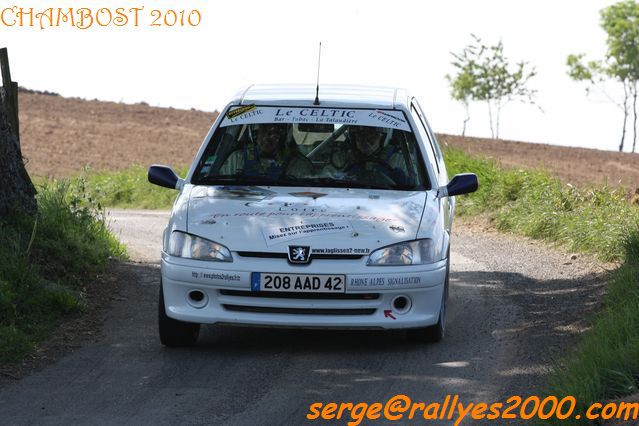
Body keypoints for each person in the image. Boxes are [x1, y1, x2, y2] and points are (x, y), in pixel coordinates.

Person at [219, 123, 313, 178]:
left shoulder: (297, 164)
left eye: (274, 134)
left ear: (283, 137)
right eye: (263, 132)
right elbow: (220, 184)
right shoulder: (237, 159)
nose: (267, 138)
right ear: (255, 135)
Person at [341, 125, 408, 184]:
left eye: (372, 135)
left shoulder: (402, 160)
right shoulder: (341, 156)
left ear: (384, 138)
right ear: (353, 138)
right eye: (359, 135)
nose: (365, 141)